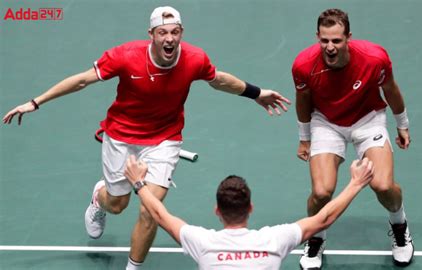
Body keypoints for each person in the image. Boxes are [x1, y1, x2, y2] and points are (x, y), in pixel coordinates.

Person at [2, 6, 291, 270]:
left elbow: (220, 80)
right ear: (151, 34)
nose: (169, 39)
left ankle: (133, 267)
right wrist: (36, 102)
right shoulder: (125, 56)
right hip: (121, 137)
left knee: (151, 209)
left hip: (164, 139)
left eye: (174, 32)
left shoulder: (194, 59)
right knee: (117, 204)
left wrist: (256, 93)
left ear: (181, 34)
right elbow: (81, 80)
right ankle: (99, 198)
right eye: (162, 33)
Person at [292, 8, 414, 269]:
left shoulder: (374, 58)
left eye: (336, 40)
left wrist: (402, 124)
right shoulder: (303, 65)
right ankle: (315, 236)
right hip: (326, 122)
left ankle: (399, 224)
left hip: (368, 119)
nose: (330, 47)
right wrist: (305, 138)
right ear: (317, 37)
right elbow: (303, 101)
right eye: (324, 40)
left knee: (382, 185)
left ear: (348, 37)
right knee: (321, 191)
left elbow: (390, 90)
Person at [124, 155, 374, 269]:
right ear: (250, 208)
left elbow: (159, 215)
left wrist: (138, 183)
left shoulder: (202, 242)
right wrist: (356, 183)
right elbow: (324, 218)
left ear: (217, 211)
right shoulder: (274, 240)